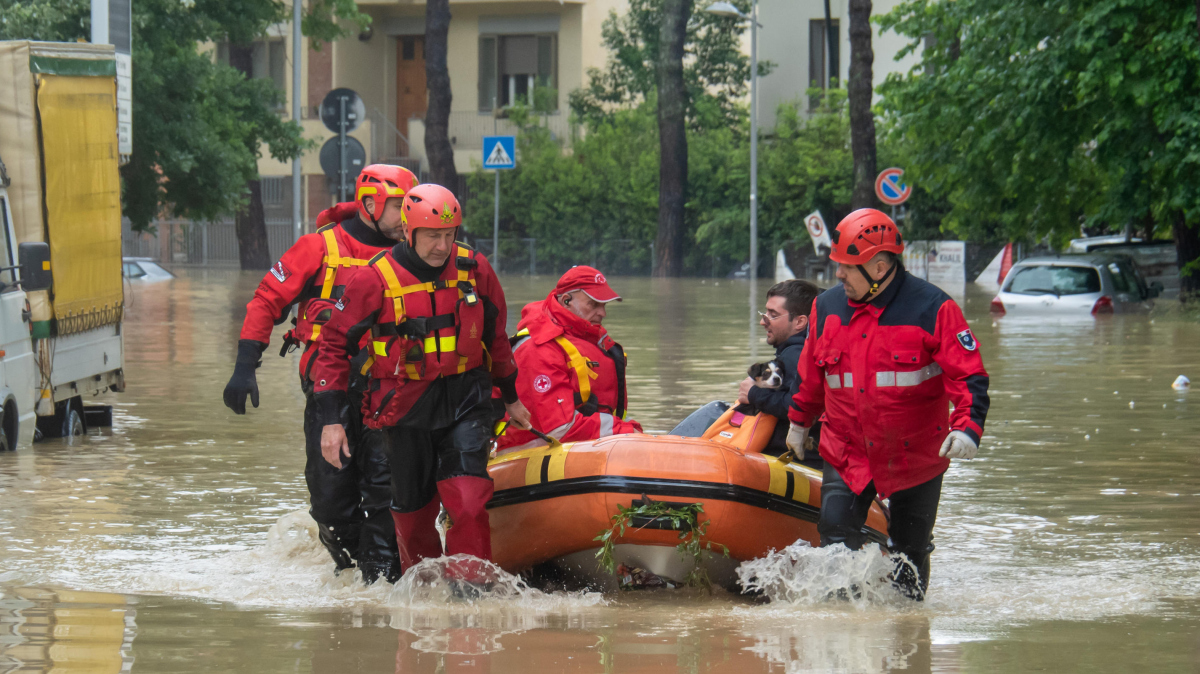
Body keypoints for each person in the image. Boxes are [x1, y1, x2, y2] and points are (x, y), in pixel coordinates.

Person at [309, 183, 532, 586]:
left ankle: (472, 596)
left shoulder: (474, 269)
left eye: (450, 236)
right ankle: (422, 596)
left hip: (467, 398)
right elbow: (332, 348)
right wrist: (331, 420)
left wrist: (512, 396)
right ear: (409, 231)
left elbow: (496, 335)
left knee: (467, 499)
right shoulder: (374, 279)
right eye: (433, 236)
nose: (442, 246)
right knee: (412, 516)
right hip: (405, 406)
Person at [222, 164, 418, 584]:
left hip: (391, 389)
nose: (408, 219)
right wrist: (244, 366)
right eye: (402, 208)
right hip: (331, 390)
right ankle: (350, 574)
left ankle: (380, 586)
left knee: (386, 494)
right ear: (370, 204)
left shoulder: (417, 254)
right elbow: (266, 300)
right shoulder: (319, 247)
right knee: (330, 503)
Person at [784, 208, 990, 600]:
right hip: (847, 451)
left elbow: (969, 376)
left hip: (916, 455)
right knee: (834, 542)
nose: (838, 275)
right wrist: (798, 422)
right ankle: (841, 639)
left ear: (879, 267)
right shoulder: (826, 308)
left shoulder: (933, 309)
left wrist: (967, 428)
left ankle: (907, 642)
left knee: (909, 553)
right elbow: (812, 376)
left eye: (846, 267)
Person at [496, 266, 643, 451]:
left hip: (575, 449)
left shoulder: (584, 341)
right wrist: (625, 431)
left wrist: (633, 431)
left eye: (604, 305)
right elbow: (560, 429)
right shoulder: (539, 348)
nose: (602, 313)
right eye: (594, 304)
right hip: (525, 452)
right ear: (566, 301)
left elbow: (608, 412)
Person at [736, 279, 822, 461]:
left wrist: (753, 394)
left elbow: (798, 405)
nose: (763, 321)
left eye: (772, 315)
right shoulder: (798, 352)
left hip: (799, 460)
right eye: (764, 313)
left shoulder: (795, 356)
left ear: (799, 322)